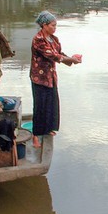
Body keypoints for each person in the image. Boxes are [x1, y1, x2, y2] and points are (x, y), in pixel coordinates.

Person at [30, 11, 81, 148]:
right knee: (39, 106)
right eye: (53, 25)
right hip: (39, 78)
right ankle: (35, 136)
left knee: (51, 104)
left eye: (55, 25)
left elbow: (59, 54)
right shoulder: (38, 39)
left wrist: (71, 58)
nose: (55, 27)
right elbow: (52, 55)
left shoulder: (54, 39)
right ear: (44, 25)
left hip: (51, 77)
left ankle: (47, 129)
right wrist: (71, 60)